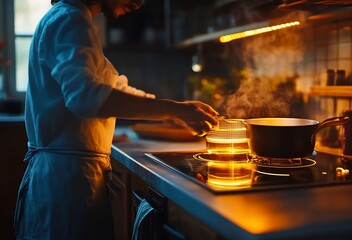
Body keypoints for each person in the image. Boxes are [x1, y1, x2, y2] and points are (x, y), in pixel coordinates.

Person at [13, 0, 218, 239]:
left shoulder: (70, 18)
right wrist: (175, 111)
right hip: (66, 184)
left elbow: (111, 88)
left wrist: (178, 110)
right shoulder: (69, 19)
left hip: (69, 178)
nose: (139, 3)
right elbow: (86, 97)